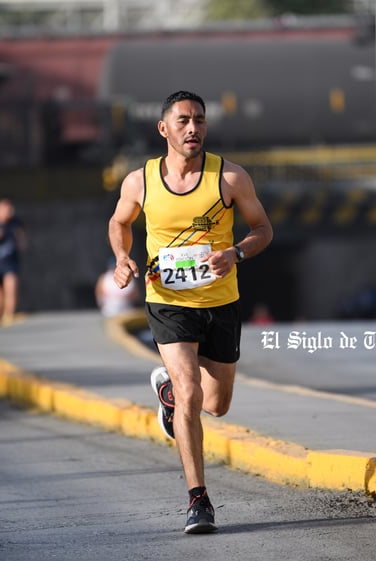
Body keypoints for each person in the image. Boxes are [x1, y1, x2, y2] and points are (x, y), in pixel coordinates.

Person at [107, 91, 273, 534]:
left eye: (199, 120)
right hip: (168, 301)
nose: (193, 128)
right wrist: (123, 259)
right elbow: (119, 223)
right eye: (182, 121)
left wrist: (236, 253)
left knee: (217, 404)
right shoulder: (139, 182)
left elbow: (263, 229)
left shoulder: (231, 177)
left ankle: (168, 396)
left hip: (220, 301)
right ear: (164, 129)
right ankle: (198, 500)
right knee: (191, 393)